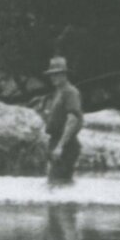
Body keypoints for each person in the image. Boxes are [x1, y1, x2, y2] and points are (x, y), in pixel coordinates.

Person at [42, 55, 83, 186]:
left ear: (64, 74)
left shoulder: (71, 92)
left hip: (66, 145)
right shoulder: (58, 92)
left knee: (59, 183)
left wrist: (60, 146)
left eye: (57, 74)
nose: (53, 77)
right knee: (54, 184)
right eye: (51, 74)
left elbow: (72, 120)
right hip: (56, 142)